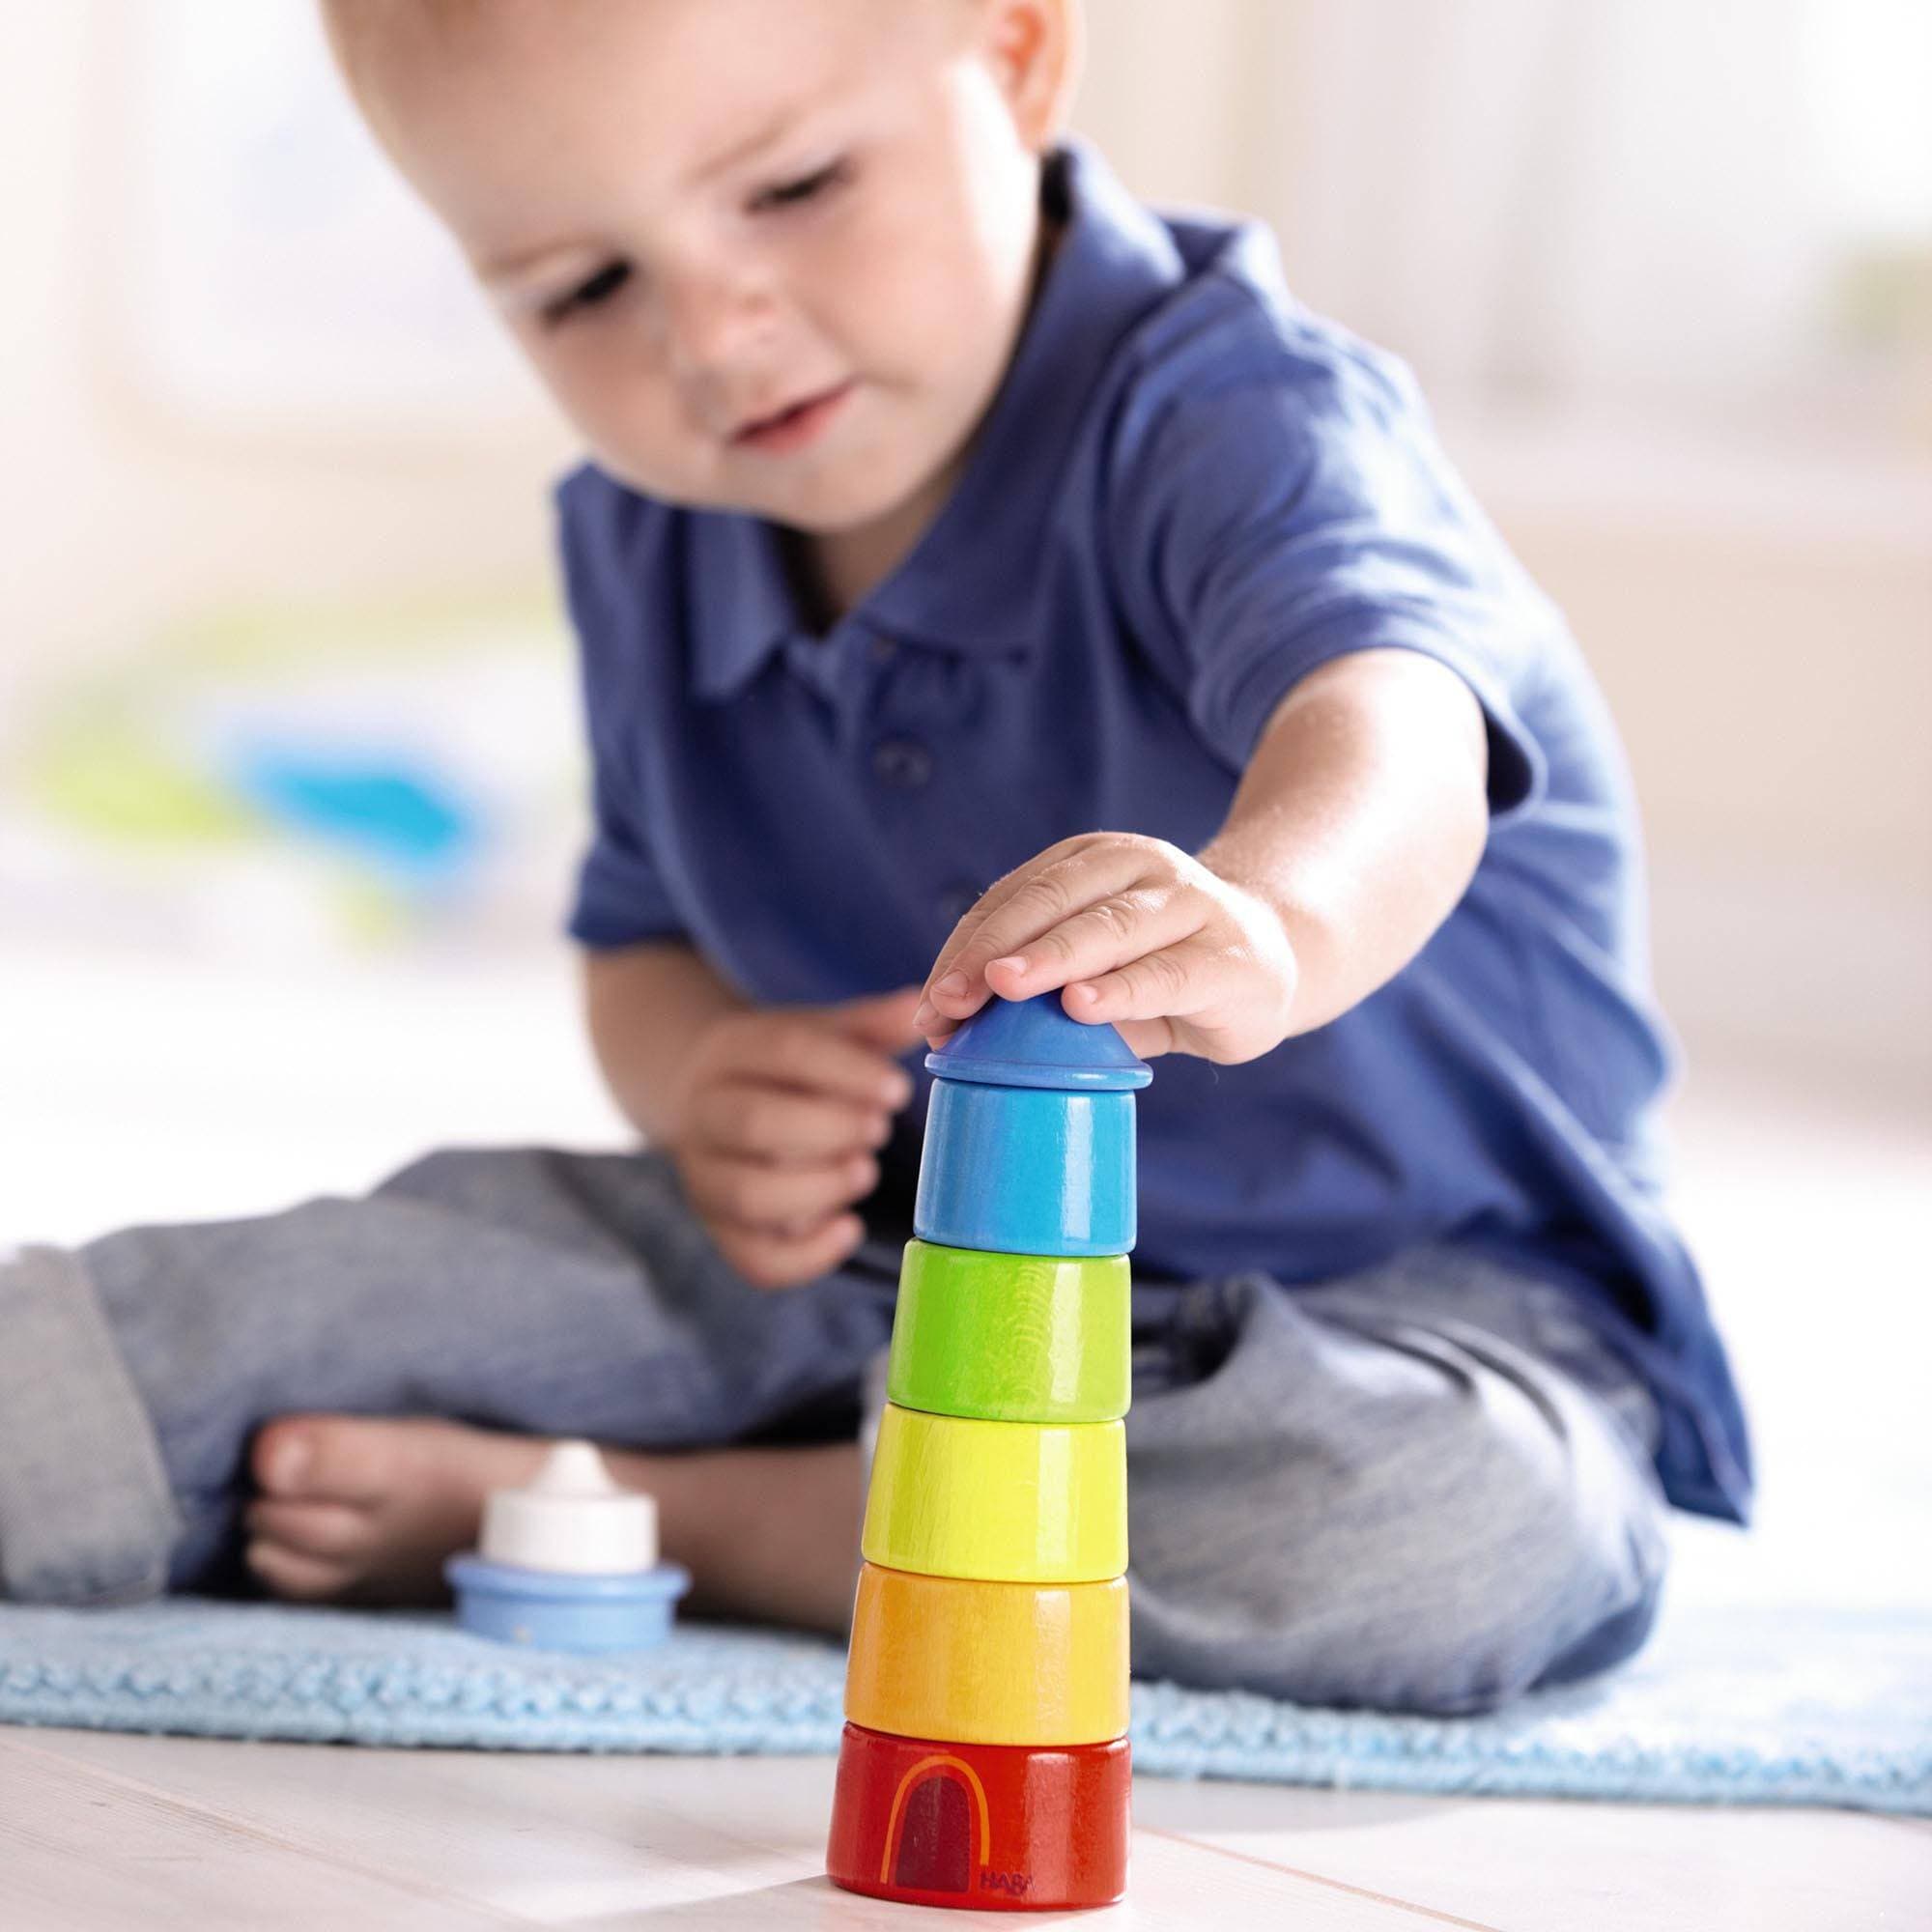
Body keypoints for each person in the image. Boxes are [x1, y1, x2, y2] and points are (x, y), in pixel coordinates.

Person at [0, 0, 1751, 1717]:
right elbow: (641, 939)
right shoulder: (646, 536)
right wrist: (705, 1084)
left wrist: (1275, 918)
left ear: (1015, 55)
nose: (713, 326)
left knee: (1454, 1535)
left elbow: (1396, 714)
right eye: (584, 287)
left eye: (791, 188)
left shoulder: (1234, 414)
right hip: (870, 1274)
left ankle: (672, 1513)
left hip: (1394, 1313)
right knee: (299, 1301)